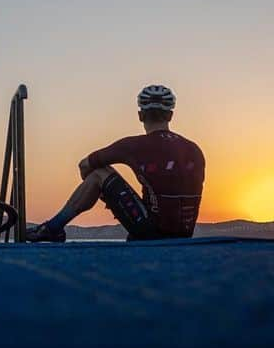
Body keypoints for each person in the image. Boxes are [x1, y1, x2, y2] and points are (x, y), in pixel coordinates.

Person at [26, 85, 205, 242]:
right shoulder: (194, 149)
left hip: (149, 232)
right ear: (171, 115)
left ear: (140, 115)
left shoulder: (132, 146)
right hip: (184, 235)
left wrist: (104, 193)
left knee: (98, 174)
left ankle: (52, 229)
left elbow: (84, 165)